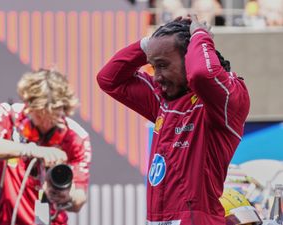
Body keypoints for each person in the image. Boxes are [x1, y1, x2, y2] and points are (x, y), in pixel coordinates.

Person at [97, 14, 250, 225]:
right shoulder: (162, 98)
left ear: (190, 56)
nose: (157, 76)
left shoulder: (226, 98)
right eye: (153, 66)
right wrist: (149, 44)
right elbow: (108, 79)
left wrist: (200, 35)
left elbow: (201, 74)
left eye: (163, 65)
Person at [0, 69, 92, 225]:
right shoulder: (9, 116)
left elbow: (79, 200)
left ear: (64, 110)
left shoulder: (76, 137)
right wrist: (31, 150)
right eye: (40, 115)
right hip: (8, 220)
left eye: (53, 116)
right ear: (28, 105)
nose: (46, 123)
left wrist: (66, 196)